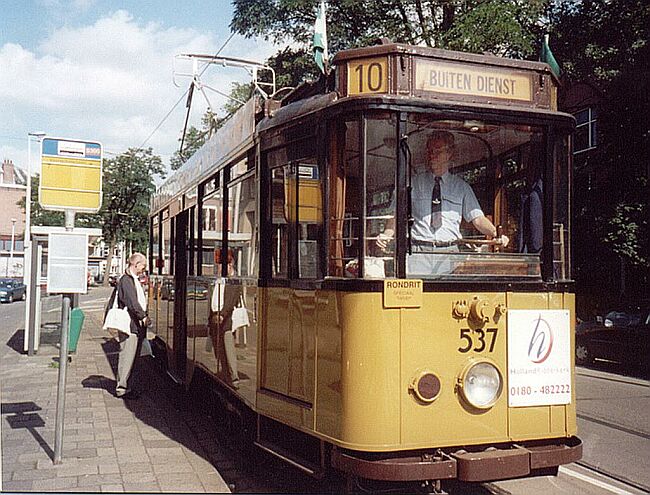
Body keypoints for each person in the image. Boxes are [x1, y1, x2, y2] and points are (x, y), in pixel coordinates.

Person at [377, 131, 508, 273]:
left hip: (450, 254)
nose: (432, 155)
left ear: (450, 153)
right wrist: (386, 235)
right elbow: (396, 214)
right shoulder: (411, 183)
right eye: (429, 151)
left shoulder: (462, 187)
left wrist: (496, 234)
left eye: (437, 151)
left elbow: (477, 219)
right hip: (418, 252)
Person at [106, 252, 150, 399]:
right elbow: (132, 301)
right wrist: (142, 316)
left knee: (131, 357)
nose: (143, 269)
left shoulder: (132, 279)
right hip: (129, 325)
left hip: (134, 325)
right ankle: (122, 389)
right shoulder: (126, 280)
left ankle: (127, 386)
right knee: (127, 356)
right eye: (142, 266)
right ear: (135, 264)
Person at [209, 249, 242, 388]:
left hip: (226, 319)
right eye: (219, 264)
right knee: (219, 349)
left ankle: (234, 377)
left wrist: (222, 314)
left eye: (224, 264)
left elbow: (231, 300)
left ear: (231, 264)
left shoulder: (235, 281)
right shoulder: (217, 280)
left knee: (228, 347)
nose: (220, 267)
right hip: (214, 318)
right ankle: (225, 373)